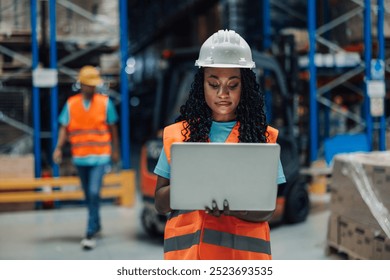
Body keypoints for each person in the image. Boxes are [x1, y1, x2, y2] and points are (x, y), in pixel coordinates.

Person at [154, 30, 286, 260]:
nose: (222, 94)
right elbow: (160, 202)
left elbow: (268, 209)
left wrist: (237, 207)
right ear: (201, 85)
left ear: (244, 87)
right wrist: (188, 189)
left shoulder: (263, 138)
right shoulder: (176, 136)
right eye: (213, 84)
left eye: (232, 85)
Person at [52, 65, 120, 250]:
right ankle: (96, 223)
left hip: (100, 156)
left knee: (93, 192)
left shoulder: (106, 103)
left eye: (94, 85)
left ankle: (90, 232)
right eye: (89, 84)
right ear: (81, 84)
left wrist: (115, 150)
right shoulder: (71, 104)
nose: (92, 88)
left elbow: (113, 128)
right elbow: (64, 128)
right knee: (89, 195)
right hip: (80, 157)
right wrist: (58, 148)